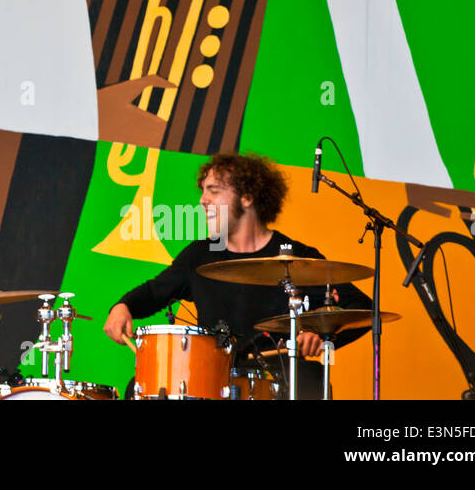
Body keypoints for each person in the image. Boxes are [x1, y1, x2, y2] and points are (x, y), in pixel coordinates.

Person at [102, 152, 373, 399]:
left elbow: (362, 310)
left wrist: (321, 334)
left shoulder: (298, 260)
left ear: (247, 197)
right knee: (139, 387)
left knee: (308, 382)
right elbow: (153, 292)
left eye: (214, 191)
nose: (202, 200)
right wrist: (123, 306)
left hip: (278, 381)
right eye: (203, 191)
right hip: (210, 379)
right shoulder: (199, 256)